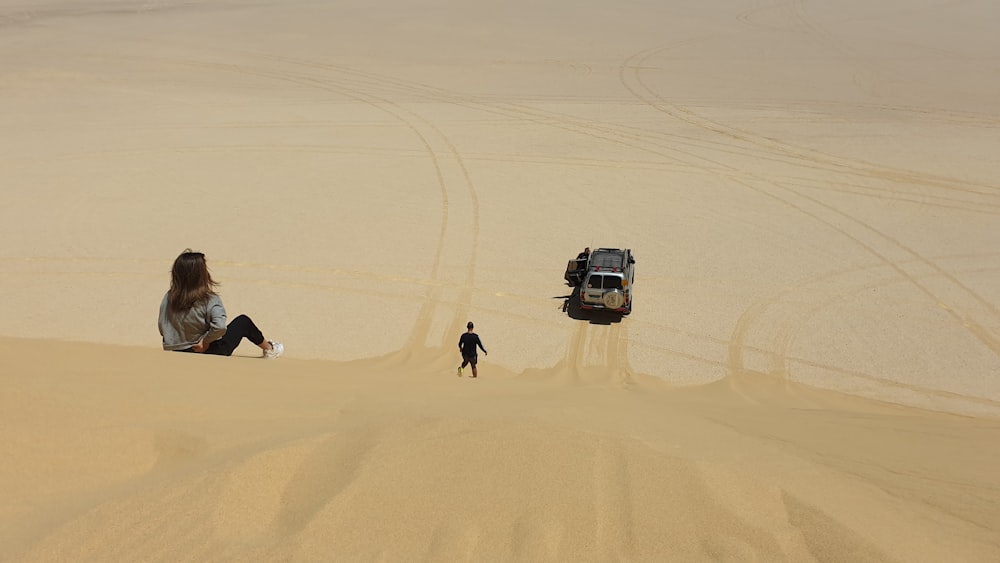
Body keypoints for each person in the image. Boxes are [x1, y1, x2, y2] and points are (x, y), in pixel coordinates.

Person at [158, 249, 283, 359]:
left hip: (176, 350)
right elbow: (220, 327)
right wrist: (205, 342)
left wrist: (175, 343)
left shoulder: (169, 296)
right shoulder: (209, 299)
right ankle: (270, 349)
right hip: (208, 351)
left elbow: (162, 324)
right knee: (243, 322)